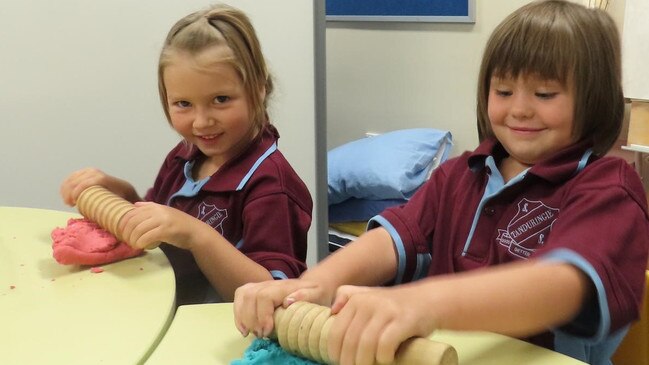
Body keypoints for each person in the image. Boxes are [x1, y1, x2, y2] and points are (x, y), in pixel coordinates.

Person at [233, 1, 649, 364]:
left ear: (594, 98)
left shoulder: (609, 188)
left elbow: (560, 286)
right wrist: (313, 287)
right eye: (503, 90)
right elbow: (392, 242)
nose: (519, 110)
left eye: (544, 94)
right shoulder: (459, 174)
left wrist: (422, 304)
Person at [60, 4, 312, 305]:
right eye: (183, 104)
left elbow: (273, 295)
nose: (201, 121)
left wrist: (197, 236)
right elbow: (158, 233)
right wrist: (122, 194)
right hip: (162, 312)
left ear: (258, 89)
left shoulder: (272, 186)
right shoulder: (185, 156)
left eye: (220, 99)